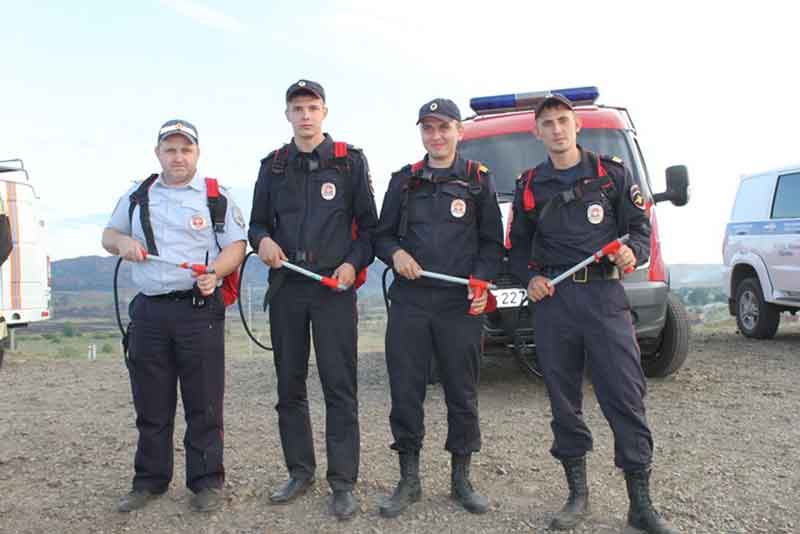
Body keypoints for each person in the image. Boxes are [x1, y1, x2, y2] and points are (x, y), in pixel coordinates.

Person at [508, 94, 677, 533]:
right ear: (537, 132)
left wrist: (629, 253)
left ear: (577, 125)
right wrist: (529, 277)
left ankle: (640, 504)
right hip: (554, 304)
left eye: (564, 121)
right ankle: (577, 496)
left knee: (624, 396)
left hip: (604, 300)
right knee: (564, 402)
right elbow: (519, 247)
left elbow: (640, 231)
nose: (557, 129)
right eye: (548, 123)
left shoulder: (611, 174)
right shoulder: (529, 185)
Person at [248, 79, 378, 520]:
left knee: (339, 388)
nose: (305, 115)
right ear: (287, 114)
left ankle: (343, 482)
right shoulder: (274, 166)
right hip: (287, 289)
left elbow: (370, 228)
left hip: (332, 291)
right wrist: (262, 242)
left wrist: (351, 265)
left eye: (312, 107)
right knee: (290, 386)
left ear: (325, 112)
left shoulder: (348, 164)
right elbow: (257, 224)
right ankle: (299, 472)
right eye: (297, 108)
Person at [102, 119, 246, 513]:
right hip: (149, 311)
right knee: (151, 404)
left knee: (204, 403)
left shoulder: (216, 196)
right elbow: (108, 236)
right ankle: (149, 481)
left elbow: (236, 245)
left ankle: (206, 483)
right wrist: (124, 243)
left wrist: (215, 273)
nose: (178, 156)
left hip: (198, 310)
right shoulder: (136, 194)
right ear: (158, 153)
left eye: (185, 149)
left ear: (197, 153)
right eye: (170, 149)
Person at [373, 98, 504, 518]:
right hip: (410, 302)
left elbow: (491, 243)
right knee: (406, 391)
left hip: (457, 305)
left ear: (459, 131)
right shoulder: (404, 181)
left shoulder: (477, 181)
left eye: (443, 127)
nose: (436, 135)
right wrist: (395, 255)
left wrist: (481, 279)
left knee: (461, 393)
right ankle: (408, 479)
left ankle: (461, 478)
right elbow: (381, 236)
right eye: (428, 128)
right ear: (422, 134)